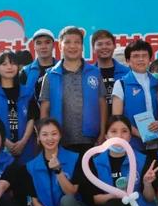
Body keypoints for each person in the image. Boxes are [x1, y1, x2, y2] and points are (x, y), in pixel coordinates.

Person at [40, 27, 108, 155]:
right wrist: (45, 136)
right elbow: (44, 110)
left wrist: (103, 132)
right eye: (68, 42)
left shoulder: (94, 72)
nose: (72, 46)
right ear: (60, 46)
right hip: (60, 140)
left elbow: (102, 103)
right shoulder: (50, 75)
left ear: (82, 47)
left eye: (77, 42)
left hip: (91, 140)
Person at [0, 51, 36, 165]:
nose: (9, 67)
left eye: (12, 63)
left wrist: (23, 142)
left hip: (27, 148)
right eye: (4, 64)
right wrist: (6, 143)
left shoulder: (27, 91)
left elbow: (32, 118)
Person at [112, 40, 158, 155]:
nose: (140, 59)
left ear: (150, 59)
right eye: (135, 56)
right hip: (132, 145)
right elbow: (117, 117)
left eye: (144, 56)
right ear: (128, 61)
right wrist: (140, 134)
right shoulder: (121, 84)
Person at [21, 28, 58, 121]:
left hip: (59, 126)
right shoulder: (25, 72)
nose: (43, 46)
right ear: (34, 46)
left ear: (53, 45)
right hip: (31, 127)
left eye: (47, 42)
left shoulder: (62, 69)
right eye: (39, 43)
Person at [91, 30, 130, 108]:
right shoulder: (88, 74)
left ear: (114, 46)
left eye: (108, 44)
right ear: (93, 48)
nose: (104, 47)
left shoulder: (127, 73)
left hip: (121, 119)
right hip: (96, 119)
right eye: (100, 44)